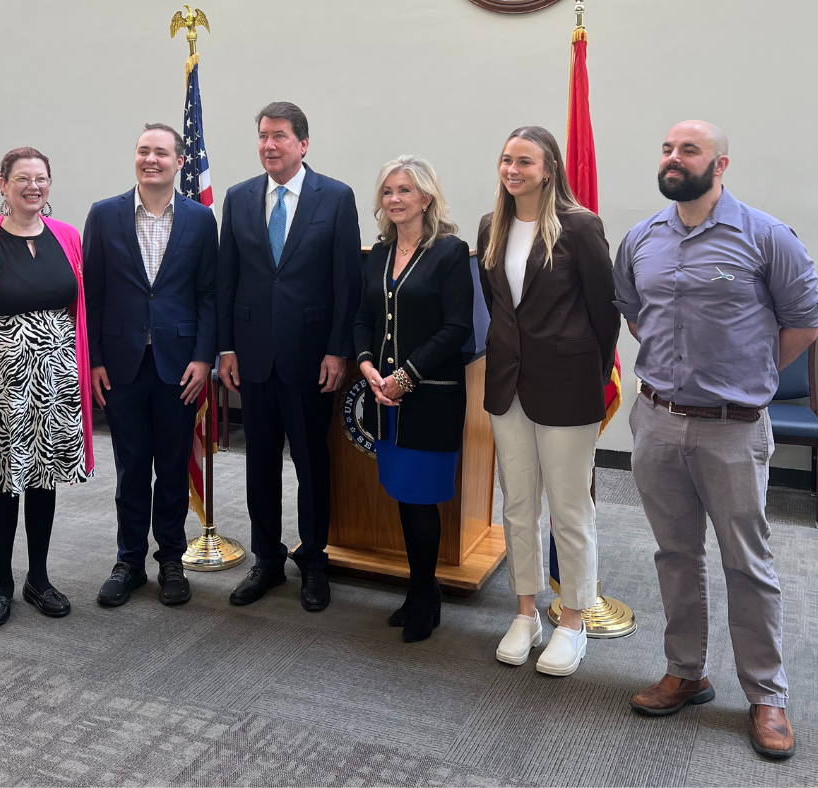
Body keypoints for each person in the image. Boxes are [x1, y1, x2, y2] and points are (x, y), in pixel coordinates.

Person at [614, 120, 818, 759]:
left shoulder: (765, 236)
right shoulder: (641, 238)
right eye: (668, 149)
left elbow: (805, 322)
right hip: (655, 420)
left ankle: (766, 695)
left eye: (690, 150)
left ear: (721, 164)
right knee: (674, 555)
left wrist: (749, 375)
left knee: (747, 563)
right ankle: (686, 671)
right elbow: (632, 311)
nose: (675, 159)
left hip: (733, 428)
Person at [477, 126, 620, 675]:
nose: (513, 170)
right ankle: (524, 613)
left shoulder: (580, 228)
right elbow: (497, 307)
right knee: (516, 504)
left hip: (567, 386)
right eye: (506, 159)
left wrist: (581, 364)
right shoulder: (494, 225)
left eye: (525, 161)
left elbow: (605, 312)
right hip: (506, 385)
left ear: (550, 168)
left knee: (568, 508)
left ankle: (573, 621)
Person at [217, 101, 361, 612]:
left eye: (279, 136)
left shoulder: (336, 198)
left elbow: (348, 284)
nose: (269, 145)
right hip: (251, 358)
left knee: (310, 463)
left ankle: (314, 561)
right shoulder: (237, 198)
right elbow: (226, 278)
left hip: (310, 362)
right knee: (259, 465)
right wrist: (226, 347)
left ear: (303, 143)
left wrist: (337, 350)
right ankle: (267, 559)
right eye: (262, 136)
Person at [0, 147, 95, 627]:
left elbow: (79, 310)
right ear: (2, 183)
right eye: (23, 179)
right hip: (2, 383)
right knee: (4, 484)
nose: (34, 187)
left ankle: (39, 578)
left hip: (56, 384)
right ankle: (0, 584)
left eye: (42, 179)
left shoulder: (68, 237)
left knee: (43, 481)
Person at [83, 123, 217, 607]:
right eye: (143, 151)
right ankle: (130, 561)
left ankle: (171, 561)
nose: (151, 159)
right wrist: (94, 360)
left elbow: (207, 295)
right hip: (120, 365)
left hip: (180, 367)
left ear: (181, 161)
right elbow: (92, 296)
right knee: (132, 466)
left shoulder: (201, 220)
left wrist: (204, 358)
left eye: (161, 152)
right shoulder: (104, 215)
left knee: (173, 466)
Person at [354, 156, 474, 642]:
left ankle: (425, 592)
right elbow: (362, 317)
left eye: (405, 190)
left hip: (429, 397)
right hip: (384, 399)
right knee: (402, 495)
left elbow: (458, 328)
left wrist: (406, 376)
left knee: (422, 499)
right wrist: (367, 367)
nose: (395, 199)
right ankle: (419, 589)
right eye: (387, 191)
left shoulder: (450, 251)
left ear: (426, 197)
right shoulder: (379, 254)